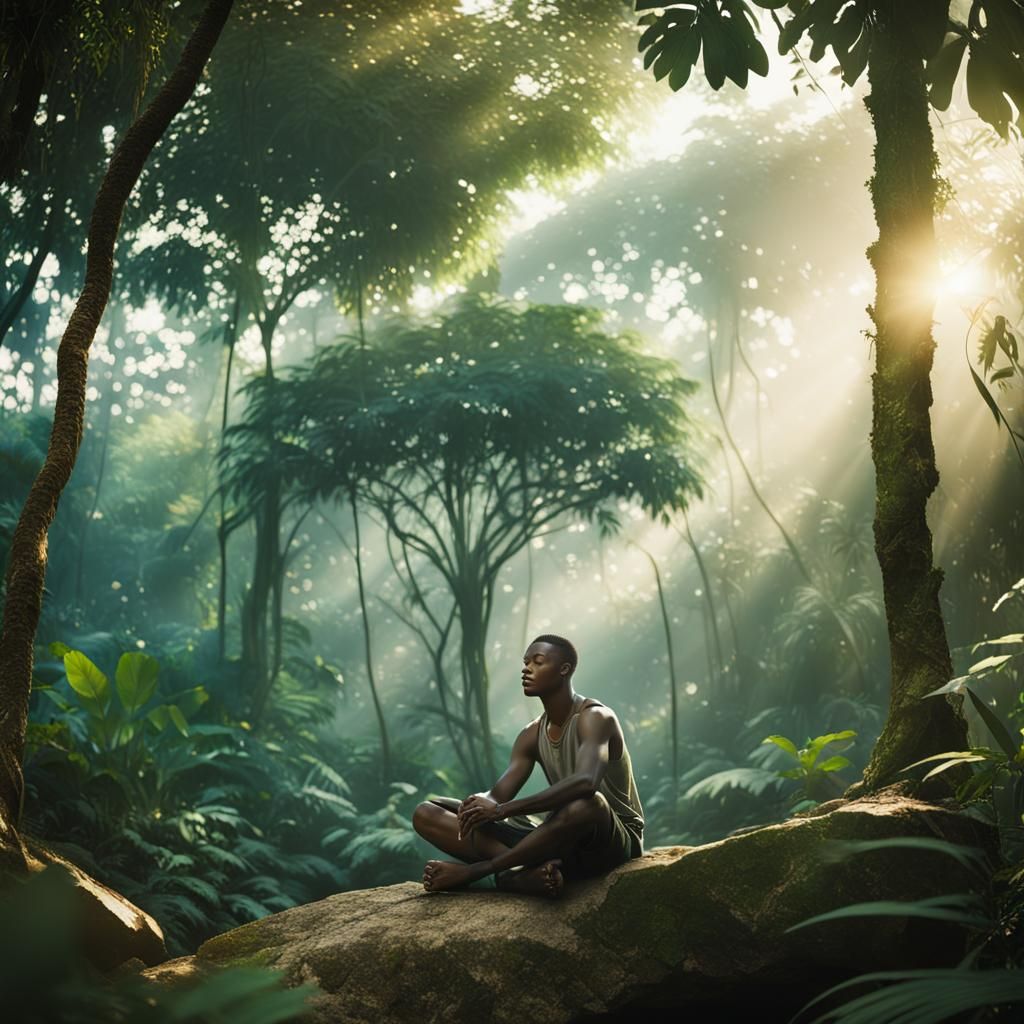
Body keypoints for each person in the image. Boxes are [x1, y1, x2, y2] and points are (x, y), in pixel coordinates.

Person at [412, 634, 644, 898]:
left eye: (538, 662)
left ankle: (487, 871)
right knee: (427, 812)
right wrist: (479, 803)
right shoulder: (531, 733)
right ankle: (521, 874)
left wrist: (501, 810)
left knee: (589, 802)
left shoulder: (595, 717)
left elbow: (585, 783)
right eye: (525, 662)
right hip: (558, 836)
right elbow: (498, 796)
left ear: (564, 670)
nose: (526, 668)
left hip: (609, 840)